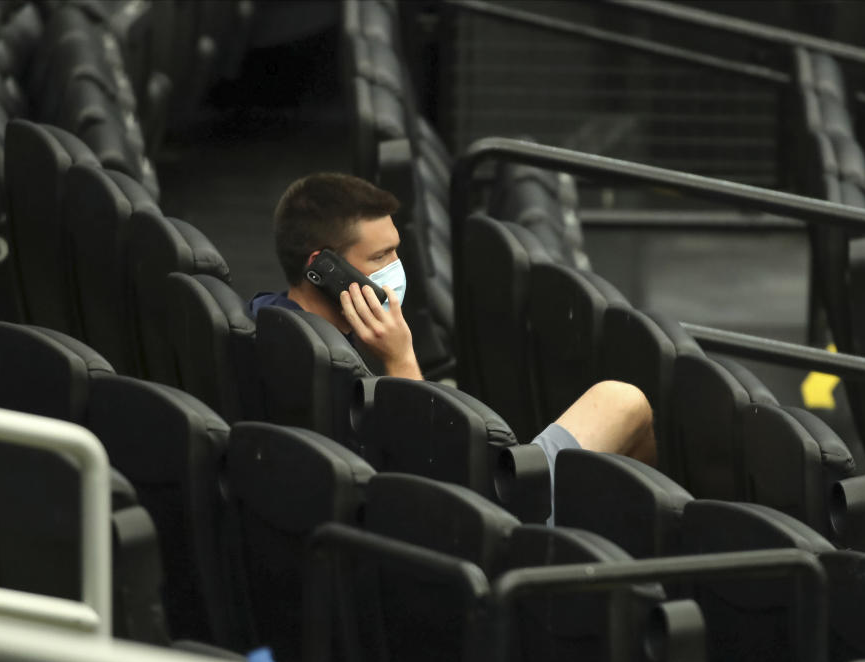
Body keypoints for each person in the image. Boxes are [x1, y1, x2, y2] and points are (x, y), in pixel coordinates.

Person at [248, 172, 657, 480]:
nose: (395, 270)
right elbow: (435, 476)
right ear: (322, 268)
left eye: (396, 252)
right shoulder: (324, 368)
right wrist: (402, 358)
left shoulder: (267, 316)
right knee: (624, 401)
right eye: (380, 257)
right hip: (488, 511)